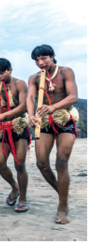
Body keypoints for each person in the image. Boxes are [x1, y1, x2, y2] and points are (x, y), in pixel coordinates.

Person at [27, 45, 78, 224]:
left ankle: (62, 207)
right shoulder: (34, 78)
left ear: (52, 57)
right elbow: (30, 98)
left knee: (61, 162)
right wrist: (31, 115)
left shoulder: (65, 72)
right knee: (42, 163)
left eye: (44, 58)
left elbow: (73, 97)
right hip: (45, 122)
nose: (40, 63)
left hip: (64, 119)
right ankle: (62, 192)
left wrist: (54, 107)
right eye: (37, 60)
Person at [0, 58, 30, 213]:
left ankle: (22, 197)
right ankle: (14, 187)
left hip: (18, 128)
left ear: (10, 69)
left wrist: (4, 116)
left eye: (2, 73)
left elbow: (24, 106)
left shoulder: (20, 84)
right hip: (1, 130)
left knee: (19, 163)